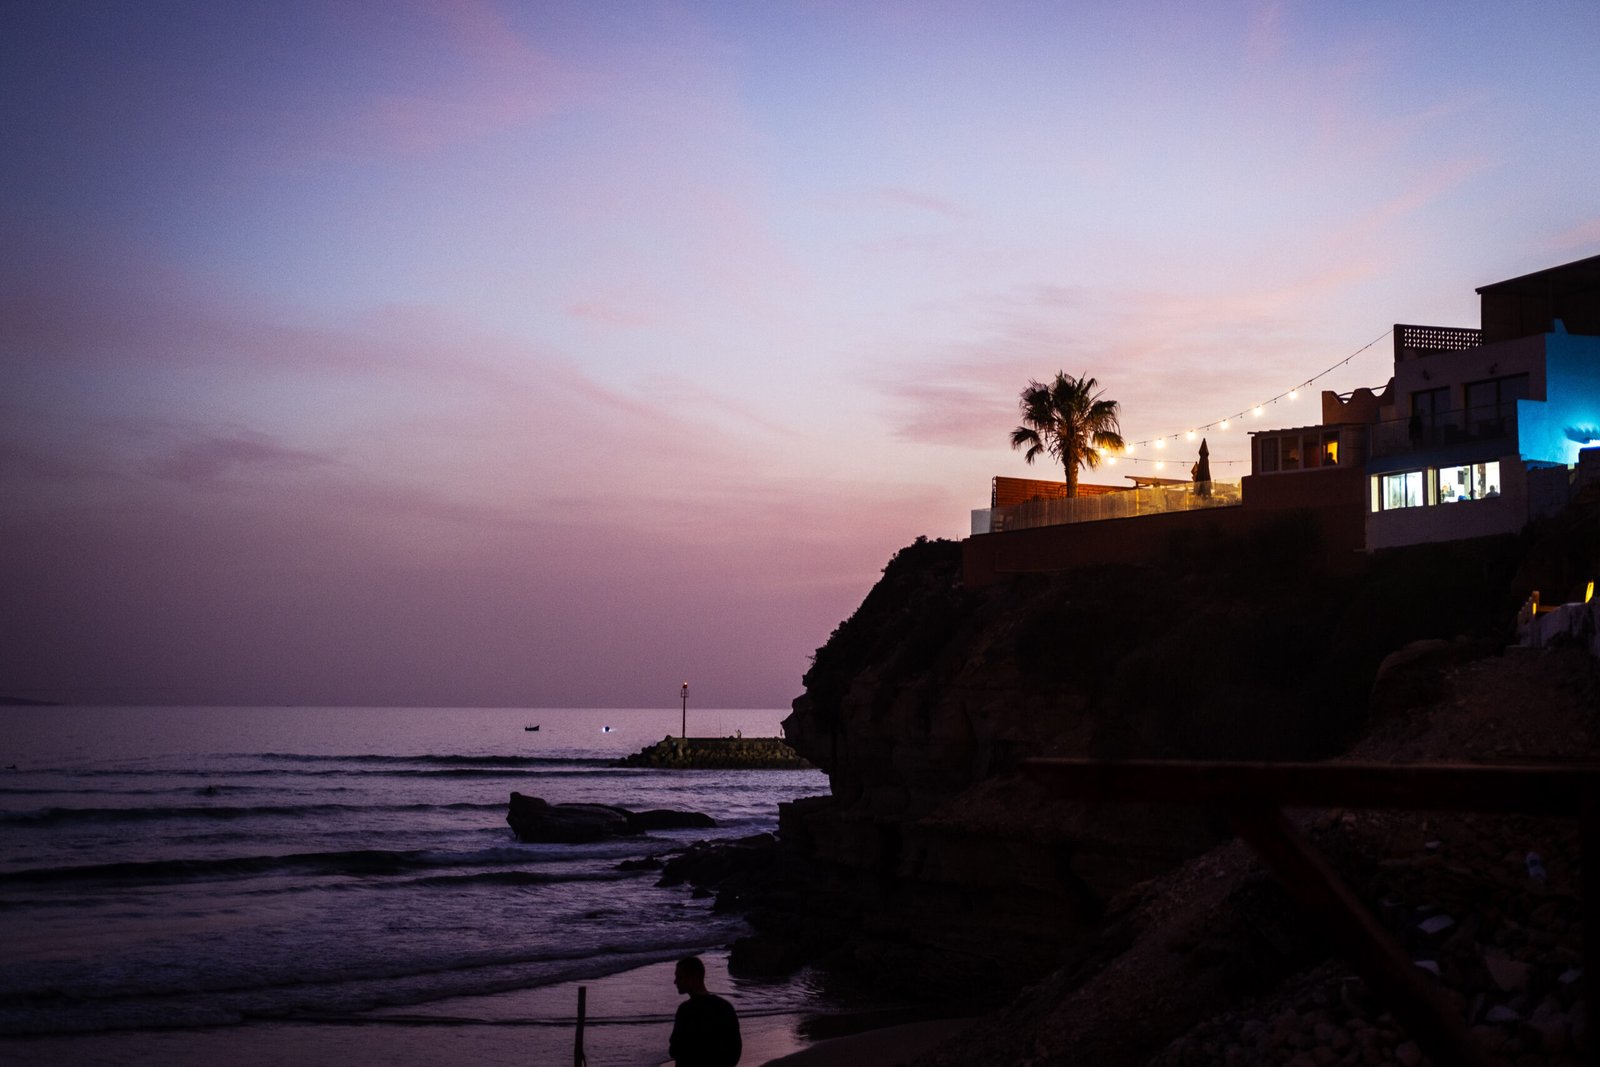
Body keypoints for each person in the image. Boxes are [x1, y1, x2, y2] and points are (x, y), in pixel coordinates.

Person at [668, 955, 741, 1066]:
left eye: (679, 977)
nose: (675, 981)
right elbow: (735, 1049)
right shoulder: (725, 1006)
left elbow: (675, 1049)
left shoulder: (686, 1010)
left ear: (694, 977)